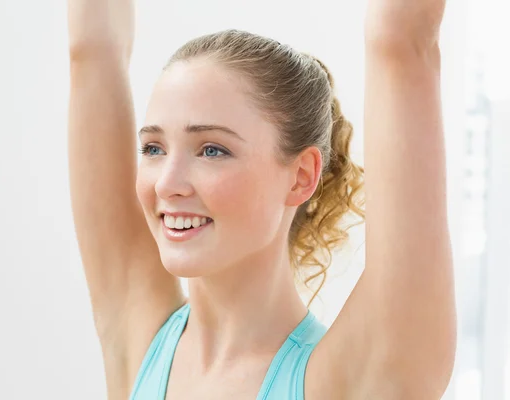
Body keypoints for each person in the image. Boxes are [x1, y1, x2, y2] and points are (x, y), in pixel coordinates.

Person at [67, 0, 456, 398]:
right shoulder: (140, 341)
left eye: (211, 150)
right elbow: (92, 48)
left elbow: (403, 41)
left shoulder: (357, 378)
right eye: (153, 148)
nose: (167, 184)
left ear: (301, 177)